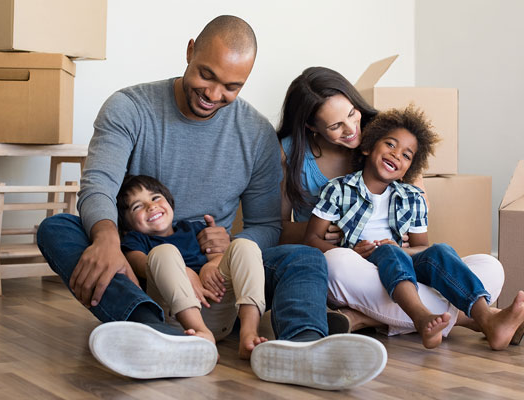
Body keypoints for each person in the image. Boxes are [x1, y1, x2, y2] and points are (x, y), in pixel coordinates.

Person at [37, 16, 387, 390]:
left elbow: (267, 224)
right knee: (57, 229)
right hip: (141, 262)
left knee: (303, 257)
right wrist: (107, 238)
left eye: (231, 86)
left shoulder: (255, 134)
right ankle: (150, 329)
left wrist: (226, 250)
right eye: (207, 75)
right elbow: (99, 184)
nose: (214, 94)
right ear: (190, 51)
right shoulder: (129, 107)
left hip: (219, 278)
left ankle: (301, 346)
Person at [277, 66, 524, 345]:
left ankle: (362, 318)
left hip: (402, 264)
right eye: (335, 125)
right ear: (311, 127)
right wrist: (339, 237)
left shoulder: (392, 141)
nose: (353, 130)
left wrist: (401, 249)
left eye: (352, 113)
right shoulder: (324, 179)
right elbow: (281, 230)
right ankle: (472, 319)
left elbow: (421, 244)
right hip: (350, 266)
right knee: (339, 263)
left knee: (490, 266)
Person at [116, 174, 267, 359]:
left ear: (170, 203)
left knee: (245, 246)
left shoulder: (193, 229)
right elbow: (140, 265)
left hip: (218, 306)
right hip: (178, 318)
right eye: (137, 206)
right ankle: (201, 333)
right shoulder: (135, 240)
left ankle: (249, 333)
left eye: (155, 198)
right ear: (126, 224)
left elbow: (219, 256)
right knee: (164, 252)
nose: (151, 206)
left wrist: (210, 266)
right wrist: (184, 271)